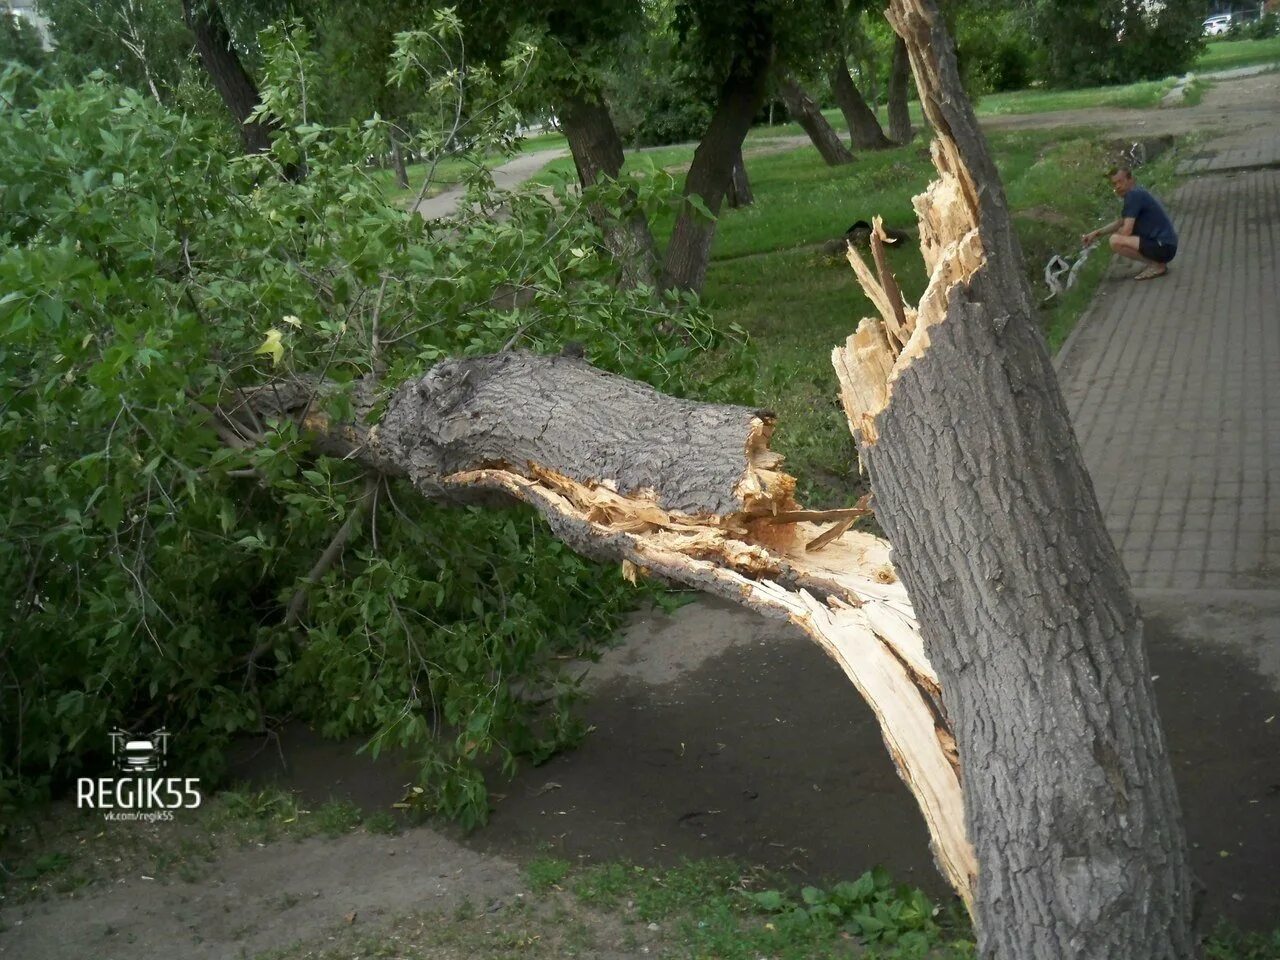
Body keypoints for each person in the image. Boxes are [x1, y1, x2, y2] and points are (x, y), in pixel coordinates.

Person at [1081, 167, 1178, 281]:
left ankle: (1157, 265)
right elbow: (1120, 222)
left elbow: (1127, 231)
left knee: (1115, 240)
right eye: (1114, 184)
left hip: (1163, 247)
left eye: (1120, 181)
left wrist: (1118, 233)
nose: (1117, 186)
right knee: (1118, 234)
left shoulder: (1133, 196)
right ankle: (1156, 263)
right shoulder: (1136, 193)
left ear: (1131, 179)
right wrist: (1097, 233)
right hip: (1167, 245)